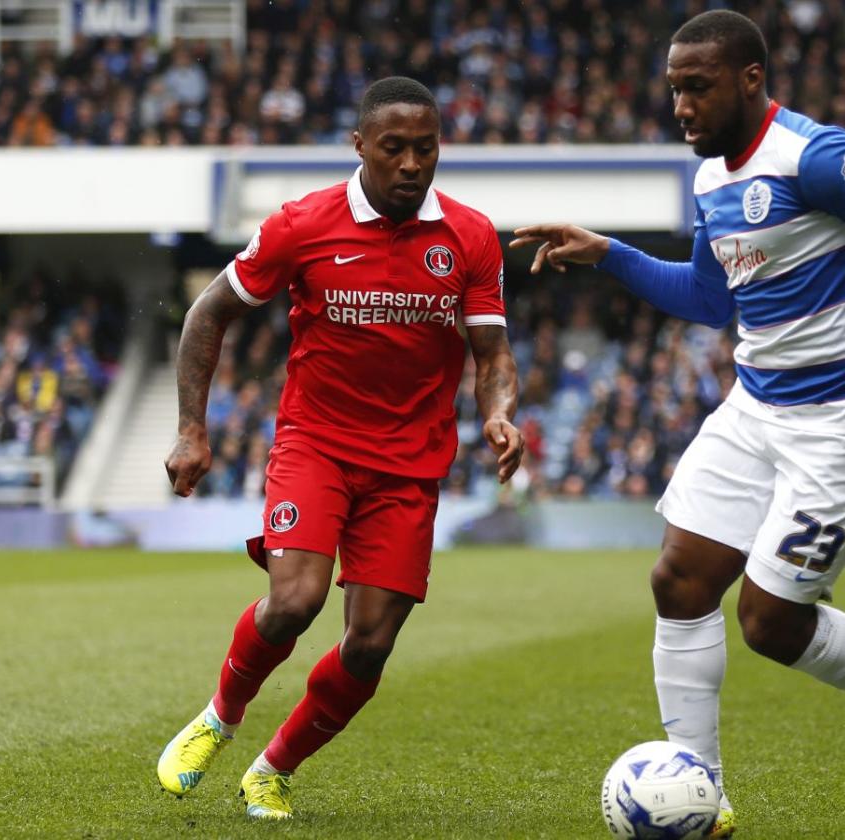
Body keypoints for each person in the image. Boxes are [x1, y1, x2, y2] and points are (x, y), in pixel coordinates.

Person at [510, 11, 845, 836]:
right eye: (674, 88)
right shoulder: (712, 177)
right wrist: (610, 252)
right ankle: (700, 801)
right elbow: (712, 300)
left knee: (768, 622)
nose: (681, 104)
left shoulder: (814, 156)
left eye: (698, 86)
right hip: (755, 407)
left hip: (841, 420)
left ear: (750, 79)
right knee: (678, 580)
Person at [156, 77, 521, 820]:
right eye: (395, 148)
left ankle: (273, 769)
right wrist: (192, 429)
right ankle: (219, 718)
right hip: (316, 443)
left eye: (426, 148)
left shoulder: (472, 235)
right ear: (360, 146)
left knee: (369, 645)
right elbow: (208, 313)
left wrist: (500, 414)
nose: (413, 164)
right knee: (294, 600)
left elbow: (492, 351)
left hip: (411, 463)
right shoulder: (302, 224)